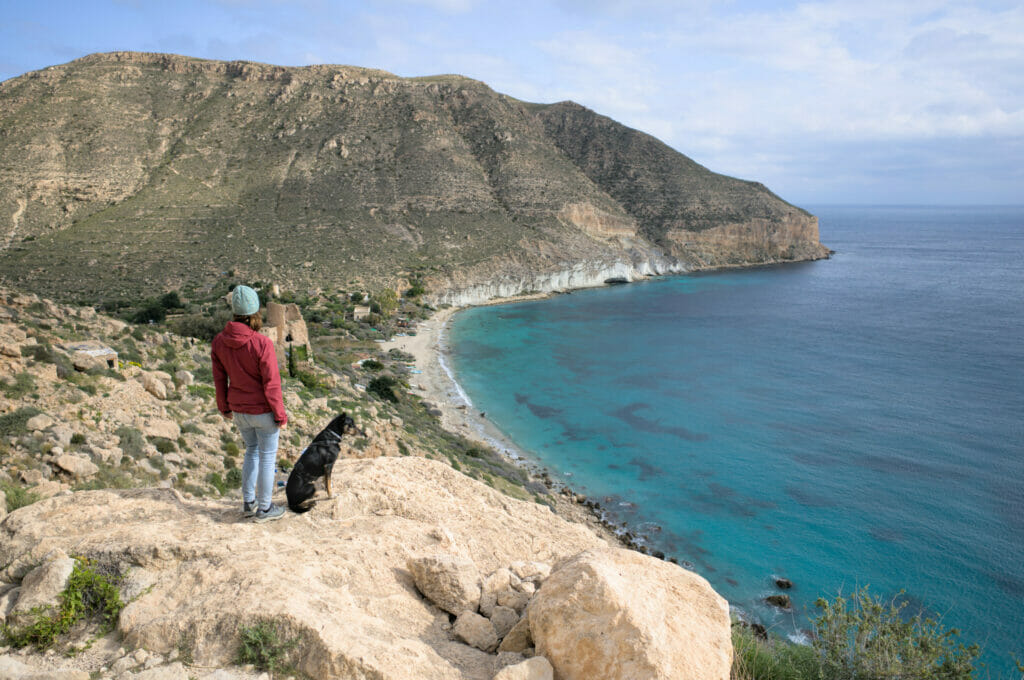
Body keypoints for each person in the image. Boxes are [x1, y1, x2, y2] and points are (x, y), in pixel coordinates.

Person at [211, 285, 288, 522]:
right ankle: (264, 509)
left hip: (239, 411)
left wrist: (223, 407)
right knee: (267, 457)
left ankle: (248, 503)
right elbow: (271, 384)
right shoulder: (261, 343)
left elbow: (219, 378)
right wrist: (280, 415)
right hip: (262, 411)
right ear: (255, 313)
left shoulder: (219, 342)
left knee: (251, 452)